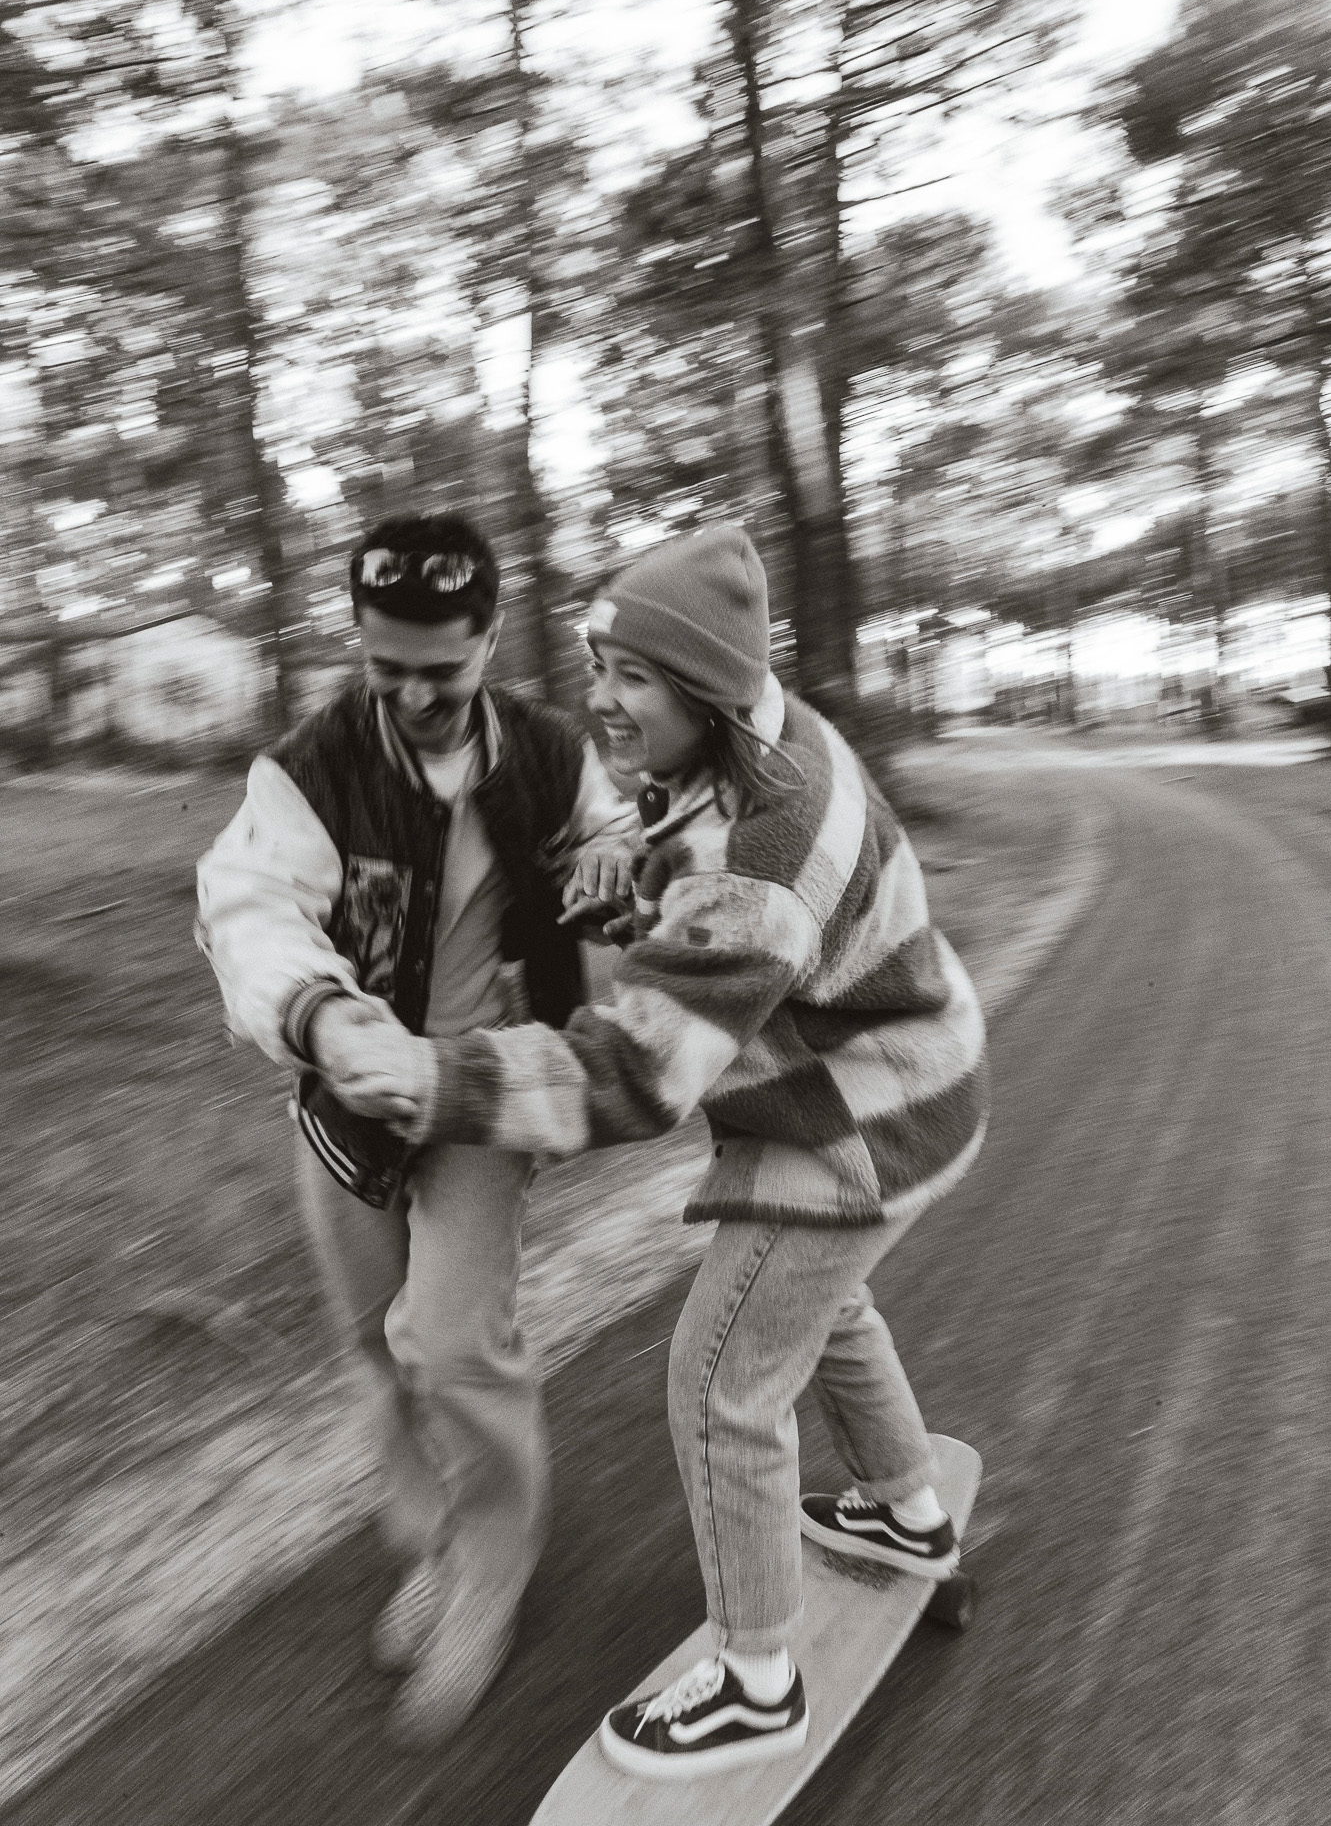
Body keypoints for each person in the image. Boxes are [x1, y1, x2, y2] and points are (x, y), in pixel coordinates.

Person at [340, 522, 990, 1779]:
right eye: (599, 663)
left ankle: (755, 1678)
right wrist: (629, 886)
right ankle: (907, 1509)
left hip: (859, 1121)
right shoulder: (763, 731)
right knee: (819, 1299)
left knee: (716, 1377)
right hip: (907, 1082)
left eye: (632, 675)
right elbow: (697, 857)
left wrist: (438, 1075)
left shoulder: (766, 854)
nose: (601, 694)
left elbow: (634, 1071)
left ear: (699, 683)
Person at [195, 511, 638, 1747]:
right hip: (343, 1086)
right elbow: (249, 904)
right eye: (385, 668)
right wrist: (319, 1015)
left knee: (453, 1340)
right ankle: (429, 1541)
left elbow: (609, 830)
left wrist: (607, 863)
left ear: (489, 639)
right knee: (369, 1344)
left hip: (487, 1085)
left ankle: (492, 1564)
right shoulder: (310, 767)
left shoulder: (547, 750)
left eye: (441, 670)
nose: (413, 696)